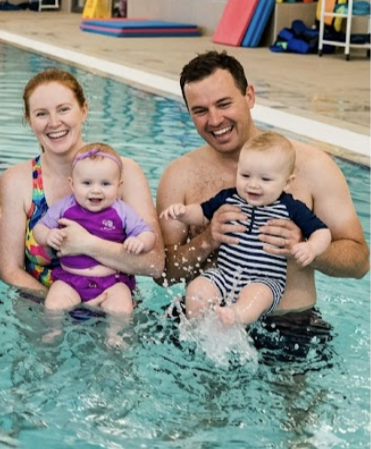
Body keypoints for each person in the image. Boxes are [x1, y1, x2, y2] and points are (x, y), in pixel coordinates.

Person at [156, 51, 368, 329]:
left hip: (289, 324)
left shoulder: (312, 166)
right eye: (200, 110)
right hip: (203, 323)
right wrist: (208, 239)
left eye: (224, 104)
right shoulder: (179, 175)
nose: (215, 119)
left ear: (250, 96)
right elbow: (164, 274)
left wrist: (306, 249)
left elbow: (360, 261)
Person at [0, 69, 163, 306]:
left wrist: (87, 244)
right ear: (29, 120)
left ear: (83, 111)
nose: (54, 123)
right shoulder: (16, 181)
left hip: (113, 306)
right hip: (43, 312)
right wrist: (68, 305)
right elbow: (10, 271)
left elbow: (155, 263)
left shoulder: (125, 172)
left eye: (64, 109)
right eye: (41, 114)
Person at [162, 133, 332, 328]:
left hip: (265, 281)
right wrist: (183, 213)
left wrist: (310, 247)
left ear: (286, 182)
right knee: (196, 289)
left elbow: (322, 232)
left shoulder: (291, 208)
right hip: (224, 273)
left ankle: (234, 317)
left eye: (265, 179)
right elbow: (202, 213)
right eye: (245, 175)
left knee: (255, 298)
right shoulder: (229, 197)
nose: (253, 184)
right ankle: (197, 330)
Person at [32, 143, 156, 347]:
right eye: (87, 183)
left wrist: (139, 241)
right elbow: (40, 228)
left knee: (122, 305)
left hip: (112, 282)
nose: (96, 190)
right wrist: (48, 235)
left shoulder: (122, 211)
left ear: (119, 186)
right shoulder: (65, 206)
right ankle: (53, 332)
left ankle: (115, 336)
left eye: (106, 184)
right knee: (54, 303)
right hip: (70, 280)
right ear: (72, 184)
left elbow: (148, 234)